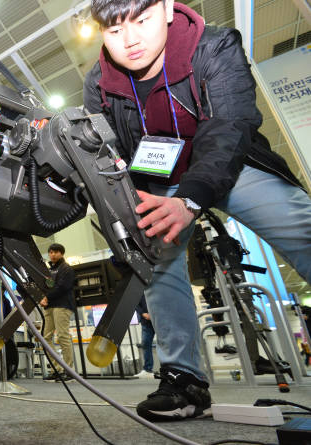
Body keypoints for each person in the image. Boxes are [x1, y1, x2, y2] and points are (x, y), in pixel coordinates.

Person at [84, 0, 311, 421]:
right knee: (156, 261)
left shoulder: (214, 46)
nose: (130, 40)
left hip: (228, 165)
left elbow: (230, 125)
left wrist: (190, 198)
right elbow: (105, 153)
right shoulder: (98, 81)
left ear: (168, 8)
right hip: (156, 181)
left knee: (302, 226)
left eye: (142, 20)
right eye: (114, 31)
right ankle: (183, 380)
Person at [40, 243, 76, 382]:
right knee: (46, 337)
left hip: (62, 305)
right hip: (49, 306)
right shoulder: (49, 270)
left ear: (61, 253)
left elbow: (63, 287)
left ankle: (69, 371)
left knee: (62, 336)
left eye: (56, 252)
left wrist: (47, 297)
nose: (53, 254)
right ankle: (57, 369)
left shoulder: (66, 268)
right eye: (50, 252)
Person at [134, 294, 155, 378]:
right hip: (146, 322)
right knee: (145, 343)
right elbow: (136, 304)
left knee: (164, 343)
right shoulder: (139, 290)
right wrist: (143, 314)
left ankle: (169, 368)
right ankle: (147, 369)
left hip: (159, 319)